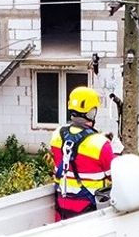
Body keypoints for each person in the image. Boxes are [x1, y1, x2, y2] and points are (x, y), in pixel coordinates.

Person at [49, 86, 115, 221]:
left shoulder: (56, 135)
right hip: (89, 214)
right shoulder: (101, 145)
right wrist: (116, 151)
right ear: (91, 113)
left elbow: (75, 148)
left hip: (62, 211)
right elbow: (115, 177)